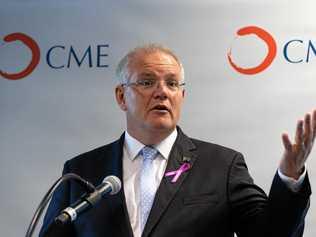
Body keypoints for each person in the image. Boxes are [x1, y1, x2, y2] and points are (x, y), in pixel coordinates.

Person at [39, 44, 315, 237]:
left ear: (181, 96)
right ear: (121, 96)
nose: (162, 92)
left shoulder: (221, 166)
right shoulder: (82, 171)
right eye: (147, 82)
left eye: (172, 84)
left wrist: (290, 178)